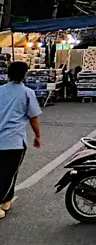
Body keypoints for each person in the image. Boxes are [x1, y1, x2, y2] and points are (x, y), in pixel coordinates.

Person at [0, 62, 42, 220]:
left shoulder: (0, 90)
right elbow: (33, 118)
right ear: (24, 75)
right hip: (14, 141)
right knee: (9, 173)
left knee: (5, 172)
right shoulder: (27, 93)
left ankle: (6, 199)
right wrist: (38, 136)